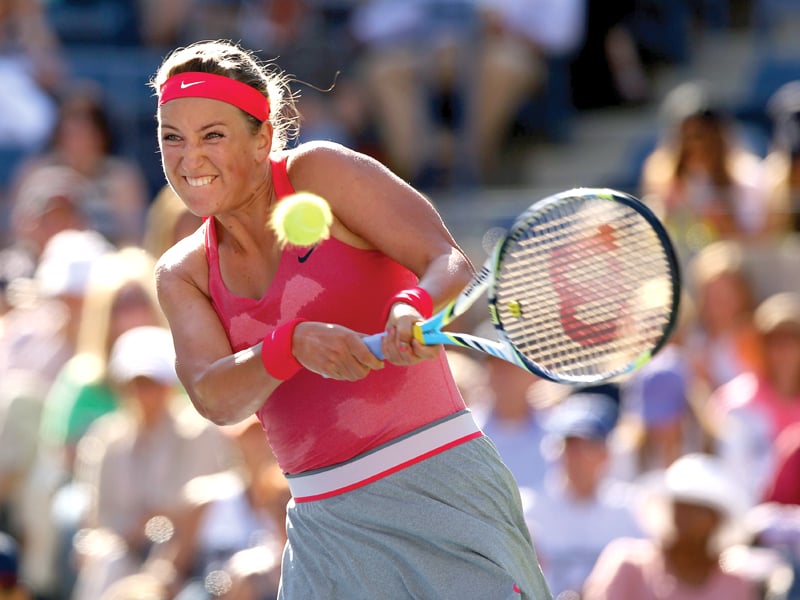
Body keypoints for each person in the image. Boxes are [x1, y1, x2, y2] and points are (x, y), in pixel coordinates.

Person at [151, 39, 552, 599]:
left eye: (212, 135)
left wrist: (411, 305)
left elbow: (447, 262)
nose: (189, 158)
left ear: (263, 135)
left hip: (441, 486)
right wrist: (289, 346)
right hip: (324, 524)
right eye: (172, 137)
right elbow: (214, 396)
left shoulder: (321, 171)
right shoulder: (182, 271)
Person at [521, 388, 643, 598]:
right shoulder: (528, 509)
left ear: (605, 453)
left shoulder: (632, 510)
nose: (576, 457)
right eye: (570, 446)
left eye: (587, 447)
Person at [582, 453, 756, 600]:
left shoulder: (734, 584)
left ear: (716, 519)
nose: (684, 516)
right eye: (679, 506)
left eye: (696, 508)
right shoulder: (628, 564)